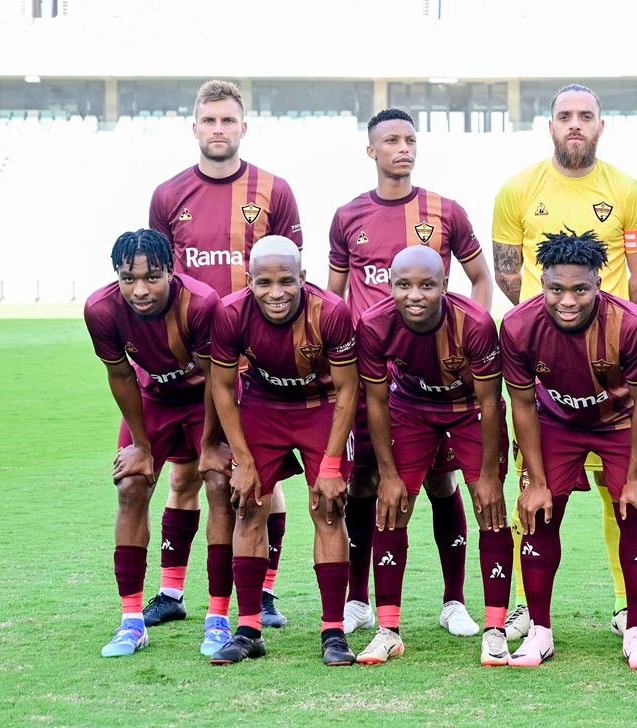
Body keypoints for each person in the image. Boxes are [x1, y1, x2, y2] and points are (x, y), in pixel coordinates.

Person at [492, 83, 637, 642]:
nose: (575, 124)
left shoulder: (628, 189)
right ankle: (524, 606)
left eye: (586, 116)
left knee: (624, 496)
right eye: (565, 115)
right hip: (548, 363)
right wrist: (548, 339)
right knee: (535, 498)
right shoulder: (518, 189)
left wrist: (608, 336)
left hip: (611, 364)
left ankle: (623, 605)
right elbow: (510, 273)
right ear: (551, 124)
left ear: (601, 125)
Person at [327, 108, 491, 638]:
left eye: (410, 139)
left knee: (444, 482)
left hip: (436, 380)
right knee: (365, 483)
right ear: (371, 151)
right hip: (373, 375)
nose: (404, 148)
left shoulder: (446, 210)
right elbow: (334, 297)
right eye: (391, 140)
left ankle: (454, 601)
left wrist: (465, 345)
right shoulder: (347, 215)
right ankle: (357, 600)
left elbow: (479, 282)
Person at [148, 79, 303, 630]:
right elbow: (156, 277)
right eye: (209, 121)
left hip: (254, 361)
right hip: (190, 362)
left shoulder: (274, 191)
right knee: (185, 476)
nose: (218, 129)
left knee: (260, 480)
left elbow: (289, 279)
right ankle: (170, 592)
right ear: (195, 127)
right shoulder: (169, 195)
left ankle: (263, 593)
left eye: (227, 120)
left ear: (243, 126)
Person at [499, 229, 637, 670]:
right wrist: (533, 480)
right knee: (538, 512)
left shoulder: (630, 324)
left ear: (598, 284)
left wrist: (635, 478)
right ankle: (539, 632)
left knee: (634, 509)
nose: (567, 300)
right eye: (556, 289)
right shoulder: (517, 326)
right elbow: (523, 404)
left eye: (580, 289)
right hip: (556, 423)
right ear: (543, 283)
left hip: (621, 422)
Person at [352, 246, 512, 667]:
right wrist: (386, 474)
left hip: (469, 410)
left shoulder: (474, 323)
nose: (415, 295)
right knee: (393, 506)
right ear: (390, 286)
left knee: (490, 508)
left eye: (426, 285)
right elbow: (376, 401)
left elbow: (492, 403)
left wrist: (491, 476)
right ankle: (388, 631)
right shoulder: (373, 324)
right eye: (403, 285)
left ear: (445, 285)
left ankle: (495, 630)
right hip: (410, 410)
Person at [207, 236, 360, 666]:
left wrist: (331, 465)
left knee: (328, 507)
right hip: (263, 408)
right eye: (265, 282)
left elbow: (349, 388)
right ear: (249, 281)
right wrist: (244, 460)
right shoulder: (230, 312)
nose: (276, 292)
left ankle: (333, 633)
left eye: (286, 282)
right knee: (249, 507)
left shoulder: (331, 312)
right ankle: (249, 628)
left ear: (303, 278)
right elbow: (221, 387)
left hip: (321, 407)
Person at [86, 229, 231, 658]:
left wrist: (209, 443)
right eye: (129, 278)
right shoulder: (101, 309)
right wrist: (142, 446)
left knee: (220, 485)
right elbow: (121, 376)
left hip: (207, 399)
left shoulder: (201, 303)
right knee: (131, 485)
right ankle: (132, 621)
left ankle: (218, 619)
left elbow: (218, 379)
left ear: (170, 270)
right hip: (153, 401)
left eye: (151, 276)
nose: (140, 289)